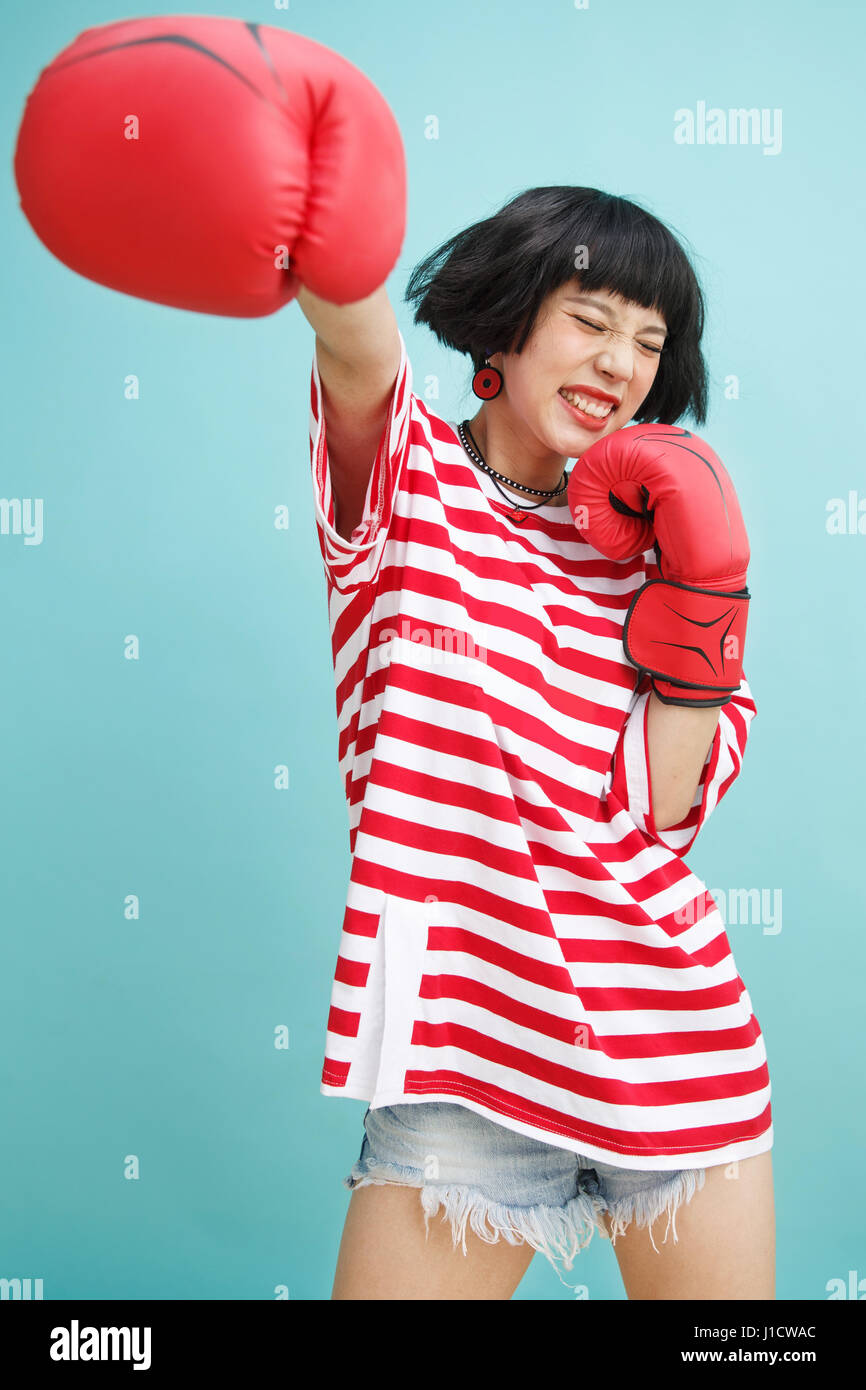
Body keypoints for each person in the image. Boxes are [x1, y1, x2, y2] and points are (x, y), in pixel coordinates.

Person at [296, 186, 774, 1300]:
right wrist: (317, 177)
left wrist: (701, 592)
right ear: (506, 319)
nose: (619, 361)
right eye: (590, 317)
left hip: (671, 1042)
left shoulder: (657, 546)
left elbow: (658, 814)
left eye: (649, 341)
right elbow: (350, 333)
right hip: (461, 1050)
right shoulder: (410, 482)